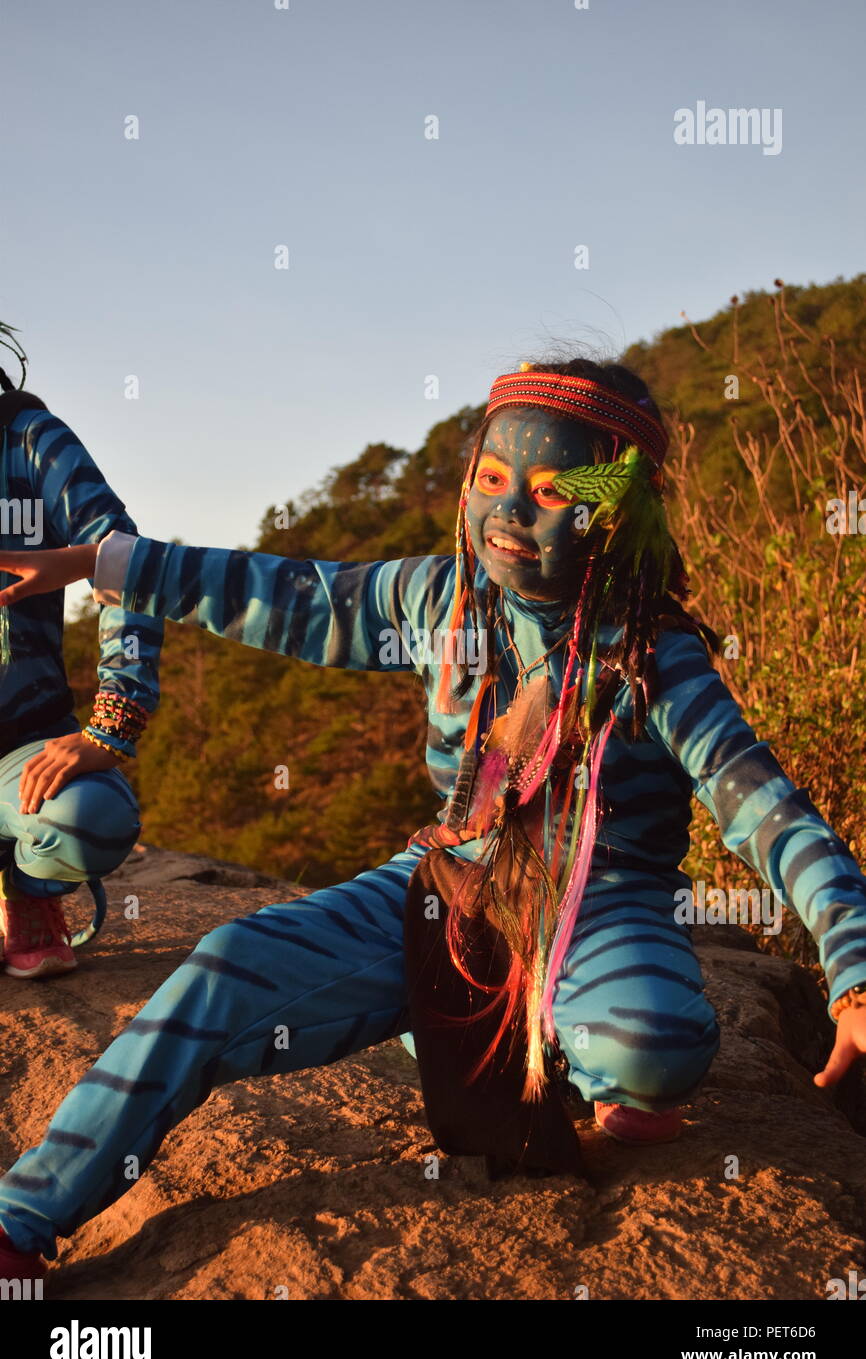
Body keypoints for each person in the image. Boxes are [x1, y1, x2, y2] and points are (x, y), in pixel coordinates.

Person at [0, 357, 864, 1288]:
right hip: (446, 883)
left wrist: (853, 970)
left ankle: (543, 1043)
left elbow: (768, 811)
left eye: (550, 494)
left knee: (650, 1049)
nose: (509, 516)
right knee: (218, 973)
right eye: (492, 480)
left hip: (602, 900)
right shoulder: (437, 598)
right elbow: (291, 595)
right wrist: (99, 562)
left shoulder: (657, 656)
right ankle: (24, 1214)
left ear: (616, 510)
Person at [0, 321, 163, 978]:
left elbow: (126, 559)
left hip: (24, 742)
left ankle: (32, 892)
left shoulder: (31, 444)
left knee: (90, 816)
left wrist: (111, 726)